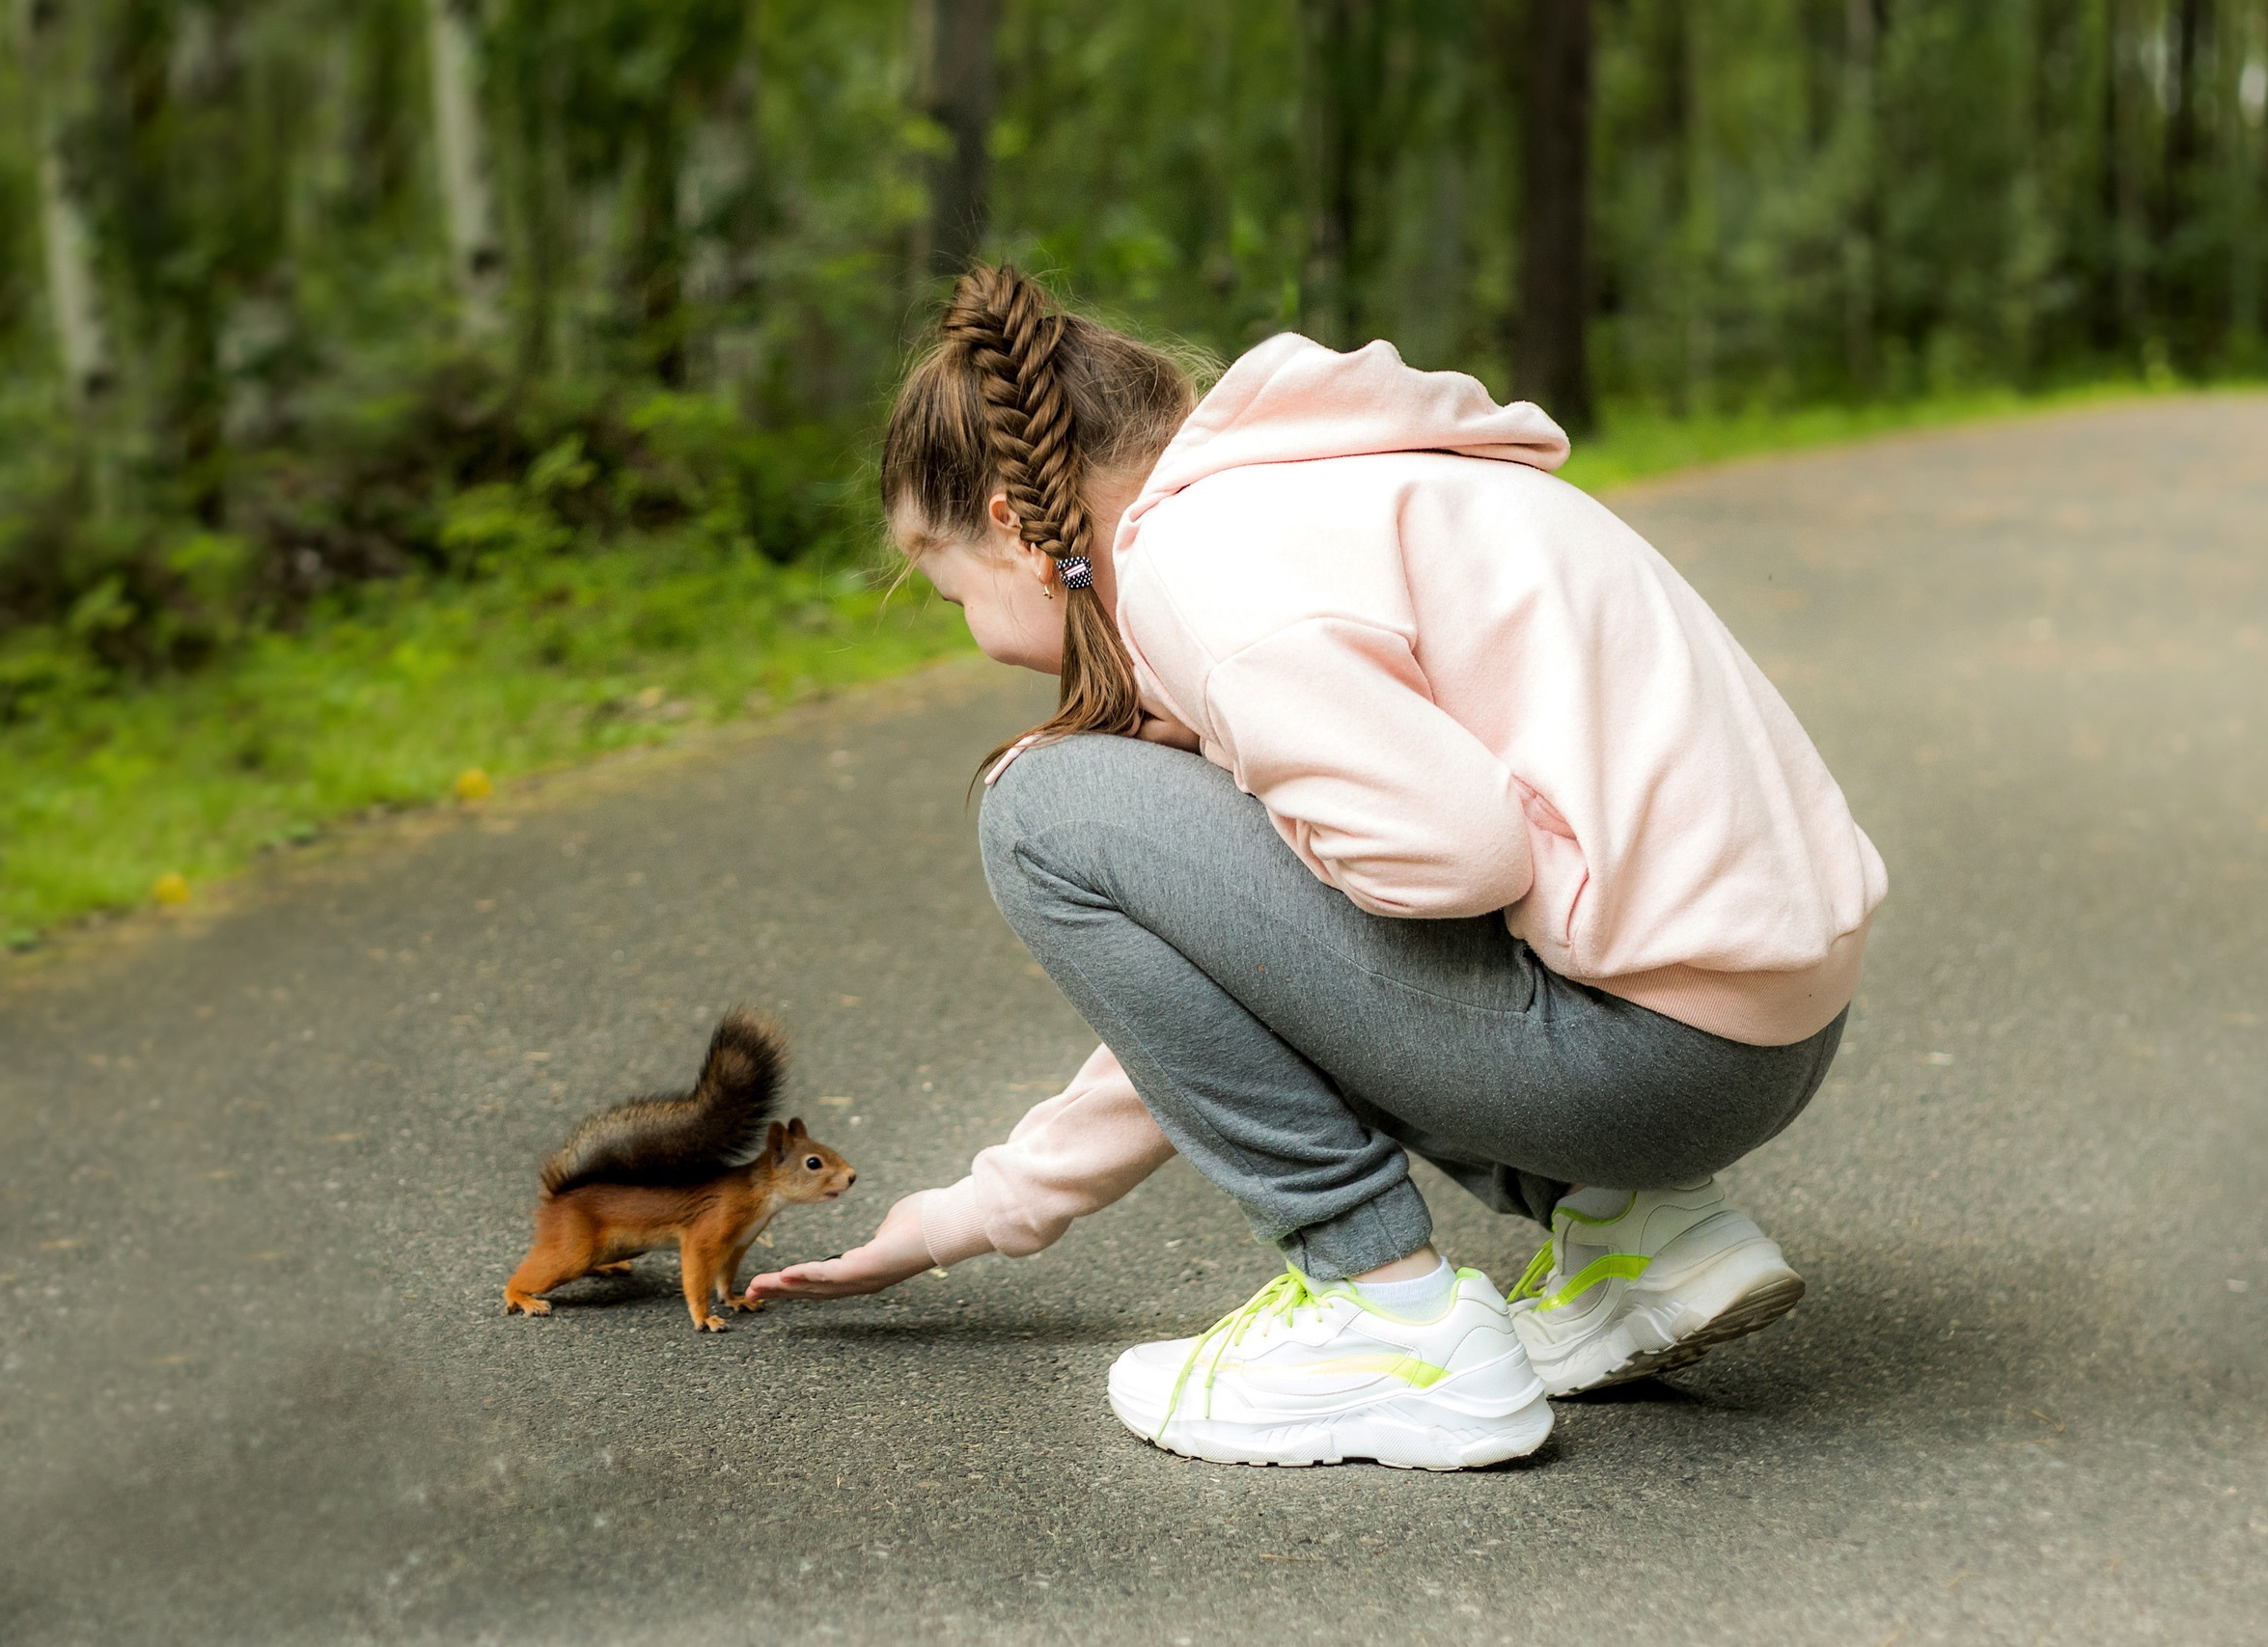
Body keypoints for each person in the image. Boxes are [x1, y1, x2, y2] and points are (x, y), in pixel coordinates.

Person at [748, 267, 1885, 1470]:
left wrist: (1237, 767)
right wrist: (974, 1213)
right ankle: (1636, 1238)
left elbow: (1452, 859)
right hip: (1761, 1036)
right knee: (1159, 830)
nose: (976, 639)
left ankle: (1388, 1322)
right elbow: (1265, 974)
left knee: (1037, 807)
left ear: (1018, 532)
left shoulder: (1201, 566)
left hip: (1649, 1064)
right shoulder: (1319, 493)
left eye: (948, 593)